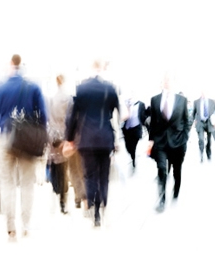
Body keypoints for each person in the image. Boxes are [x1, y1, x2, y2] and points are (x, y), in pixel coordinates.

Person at [0, 54, 47, 239]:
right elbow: (43, 116)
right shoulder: (34, 87)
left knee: (7, 183)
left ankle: (11, 228)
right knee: (28, 183)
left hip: (5, 138)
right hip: (27, 139)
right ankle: (26, 225)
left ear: (11, 66)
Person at [64, 59, 123, 227]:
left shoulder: (81, 89)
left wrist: (69, 138)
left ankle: (93, 207)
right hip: (105, 138)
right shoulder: (110, 88)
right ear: (102, 69)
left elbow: (73, 116)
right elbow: (116, 112)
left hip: (87, 139)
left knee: (89, 175)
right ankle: (103, 200)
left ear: (91, 69)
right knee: (104, 174)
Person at [148, 72, 191, 212]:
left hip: (178, 143)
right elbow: (153, 123)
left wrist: (184, 138)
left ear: (174, 82)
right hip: (160, 143)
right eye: (165, 79)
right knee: (161, 169)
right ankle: (161, 200)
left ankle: (176, 191)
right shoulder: (154, 100)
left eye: (170, 80)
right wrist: (150, 141)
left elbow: (187, 121)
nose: (167, 82)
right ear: (162, 82)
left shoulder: (182, 100)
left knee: (177, 171)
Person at [47, 74, 72, 214]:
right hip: (63, 136)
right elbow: (70, 118)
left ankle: (55, 192)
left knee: (54, 167)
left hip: (52, 137)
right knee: (63, 170)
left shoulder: (51, 98)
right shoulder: (67, 97)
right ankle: (63, 201)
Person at [121, 95, 147, 169]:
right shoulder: (125, 105)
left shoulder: (141, 104)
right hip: (127, 129)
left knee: (133, 146)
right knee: (128, 147)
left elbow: (143, 115)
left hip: (136, 129)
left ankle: (133, 158)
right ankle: (132, 155)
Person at [192, 90, 215, 162]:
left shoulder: (212, 102)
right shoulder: (196, 102)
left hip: (209, 123)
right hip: (200, 123)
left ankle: (208, 153)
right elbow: (193, 113)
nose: (203, 93)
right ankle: (201, 153)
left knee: (209, 141)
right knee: (201, 139)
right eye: (202, 92)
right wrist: (192, 123)